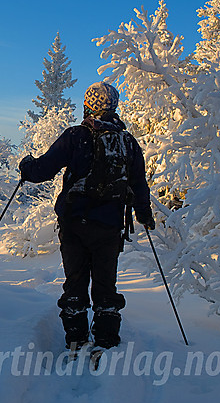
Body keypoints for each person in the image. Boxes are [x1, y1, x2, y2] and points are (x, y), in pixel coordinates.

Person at [19, 82, 154, 350]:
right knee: (106, 287)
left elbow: (43, 170)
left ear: (88, 105)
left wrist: (26, 166)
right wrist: (144, 213)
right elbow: (139, 183)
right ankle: (105, 341)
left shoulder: (76, 136)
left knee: (75, 284)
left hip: (75, 224)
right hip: (109, 227)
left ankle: (76, 340)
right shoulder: (128, 142)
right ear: (114, 106)